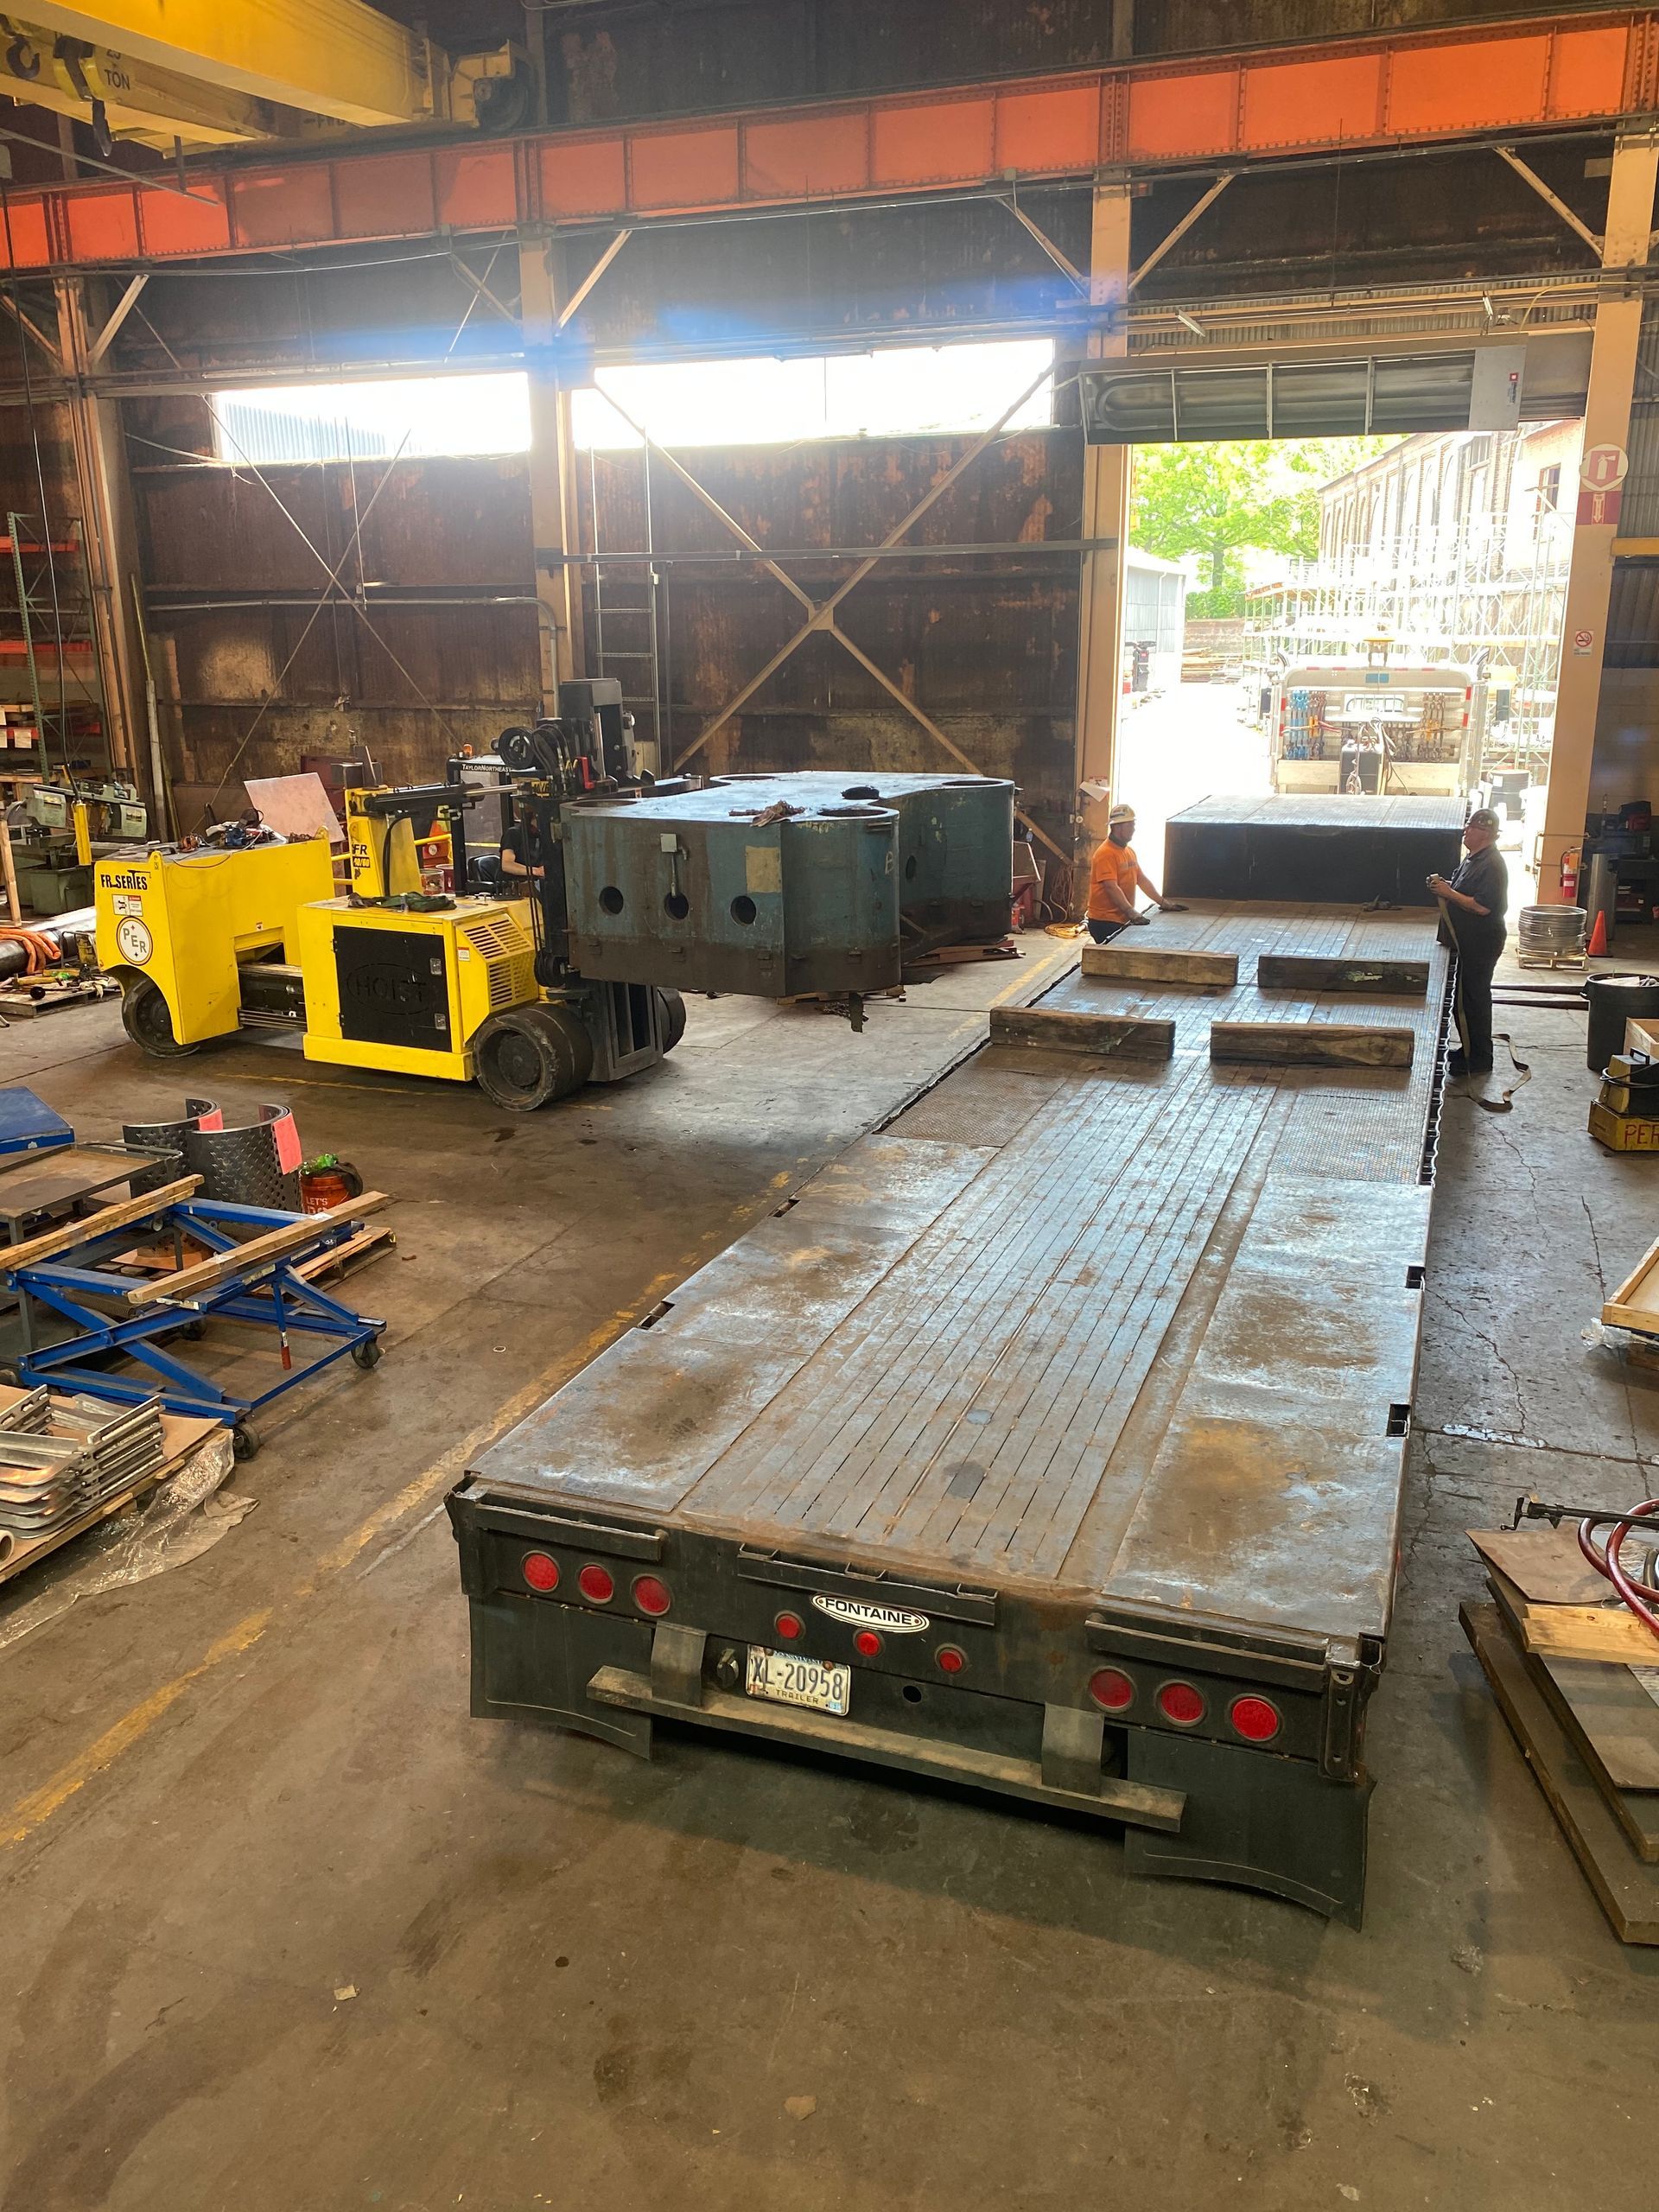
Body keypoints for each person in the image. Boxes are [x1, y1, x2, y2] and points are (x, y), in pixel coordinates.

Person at [1427, 807, 1508, 1078]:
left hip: (1481, 943)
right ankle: (1468, 1050)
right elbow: (1465, 891)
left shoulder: (1492, 864)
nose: (1466, 831)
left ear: (1484, 833)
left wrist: (1448, 892)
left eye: (1471, 827)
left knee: (1473, 1000)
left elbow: (1483, 907)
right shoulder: (1474, 859)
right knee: (1463, 998)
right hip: (1467, 942)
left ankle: (1480, 1058)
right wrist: (1446, 885)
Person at [1085, 804, 1184, 944]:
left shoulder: (1128, 851)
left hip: (1120, 918)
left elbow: (1141, 879)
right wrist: (1131, 912)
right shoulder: (1105, 853)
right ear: (1118, 827)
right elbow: (1111, 887)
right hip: (1105, 921)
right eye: (1130, 825)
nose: (1134, 829)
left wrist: (1163, 903)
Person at [499, 810, 543, 884]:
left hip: (534, 882)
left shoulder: (540, 837)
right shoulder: (513, 834)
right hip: (513, 884)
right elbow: (506, 865)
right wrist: (536, 871)